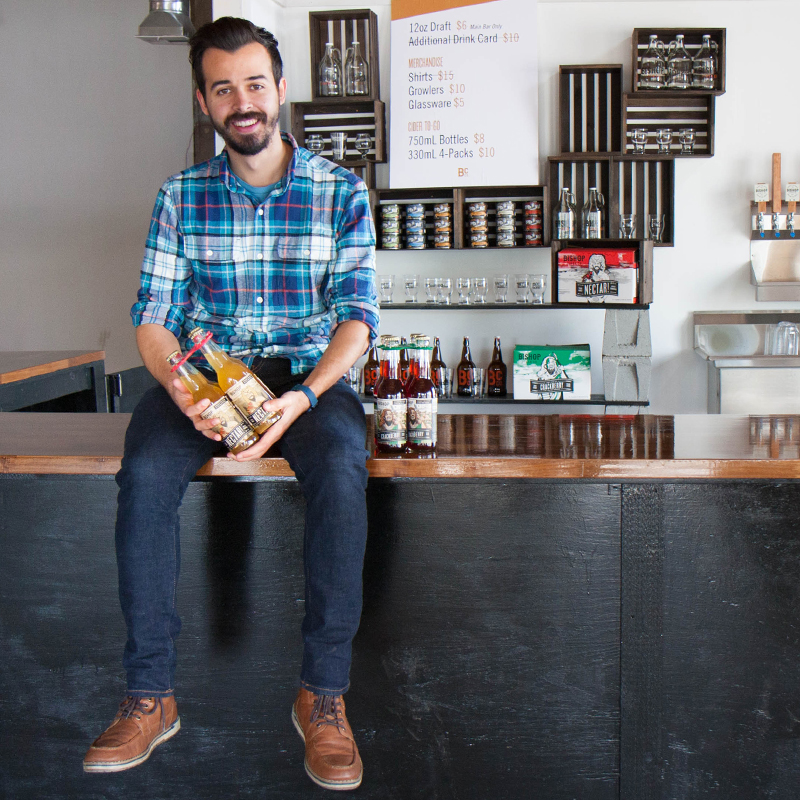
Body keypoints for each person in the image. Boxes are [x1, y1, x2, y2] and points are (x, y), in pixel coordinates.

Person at [82, 17, 378, 792]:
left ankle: (324, 695)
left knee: (346, 463)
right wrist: (180, 393)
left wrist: (303, 398)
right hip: (206, 376)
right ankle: (151, 694)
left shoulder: (341, 190)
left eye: (255, 84)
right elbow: (152, 315)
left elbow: (358, 317)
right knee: (143, 472)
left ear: (280, 90)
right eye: (223, 89)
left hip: (306, 377)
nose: (241, 102)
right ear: (204, 101)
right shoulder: (179, 197)